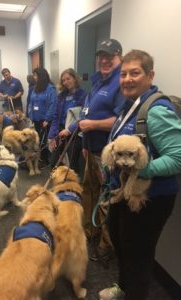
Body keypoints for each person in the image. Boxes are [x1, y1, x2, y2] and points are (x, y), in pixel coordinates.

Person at [98, 50, 181, 300]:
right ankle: (123, 288)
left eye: (135, 73)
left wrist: (142, 168)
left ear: (150, 75)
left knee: (138, 256)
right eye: (123, 74)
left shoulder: (155, 110)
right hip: (124, 192)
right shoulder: (127, 107)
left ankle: (134, 294)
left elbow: (177, 158)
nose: (127, 79)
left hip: (150, 198)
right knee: (121, 247)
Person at [72, 39, 125, 261]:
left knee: (105, 199)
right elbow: (86, 114)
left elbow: (121, 120)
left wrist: (92, 126)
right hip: (90, 150)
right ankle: (88, 231)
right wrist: (84, 144)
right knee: (88, 190)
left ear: (119, 58)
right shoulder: (97, 83)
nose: (104, 60)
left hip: (107, 154)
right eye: (101, 56)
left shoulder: (121, 82)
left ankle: (105, 246)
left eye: (109, 56)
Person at [48, 68, 86, 175]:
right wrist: (52, 136)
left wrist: (69, 130)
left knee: (73, 165)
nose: (65, 82)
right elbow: (56, 117)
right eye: (63, 80)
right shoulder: (61, 96)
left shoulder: (83, 96)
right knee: (54, 162)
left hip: (75, 133)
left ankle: (73, 187)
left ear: (75, 78)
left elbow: (83, 117)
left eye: (68, 79)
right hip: (60, 131)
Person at [27, 67, 57, 168]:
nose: (33, 77)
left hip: (45, 120)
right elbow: (31, 102)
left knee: (44, 140)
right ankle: (39, 158)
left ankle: (45, 160)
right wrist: (30, 115)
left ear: (41, 76)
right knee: (38, 140)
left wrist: (48, 119)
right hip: (36, 118)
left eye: (35, 75)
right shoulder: (35, 88)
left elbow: (53, 104)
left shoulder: (50, 88)